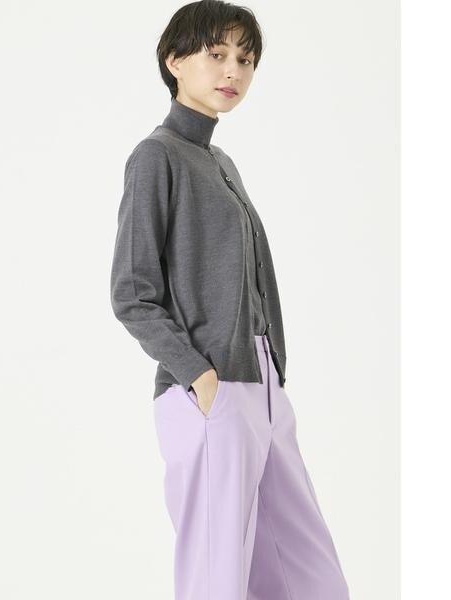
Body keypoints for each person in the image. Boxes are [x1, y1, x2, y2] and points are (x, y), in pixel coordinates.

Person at [109, 1, 351, 598]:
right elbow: (132, 293)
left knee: (309, 573)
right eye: (217, 54)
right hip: (209, 392)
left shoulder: (220, 161)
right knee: (216, 577)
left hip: (262, 388)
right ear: (174, 61)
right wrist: (199, 375)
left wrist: (273, 374)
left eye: (245, 59)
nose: (233, 71)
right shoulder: (156, 156)